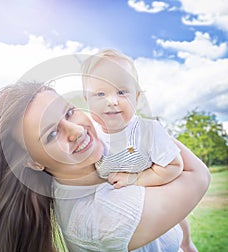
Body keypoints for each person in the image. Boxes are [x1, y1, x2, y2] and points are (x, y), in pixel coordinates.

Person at [0, 80, 210, 251]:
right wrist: (136, 124)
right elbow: (197, 174)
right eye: (51, 134)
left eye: (69, 112)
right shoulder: (102, 217)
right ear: (34, 161)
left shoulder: (102, 169)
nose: (75, 130)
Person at [81, 49, 197, 251]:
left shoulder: (148, 131)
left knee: (178, 222)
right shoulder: (88, 136)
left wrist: (134, 179)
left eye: (121, 92)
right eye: (100, 94)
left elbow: (174, 165)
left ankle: (187, 244)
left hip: (157, 215)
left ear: (137, 96)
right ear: (86, 99)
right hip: (122, 222)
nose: (112, 101)